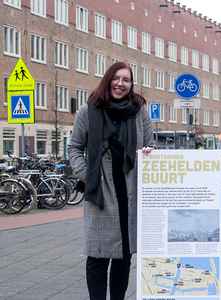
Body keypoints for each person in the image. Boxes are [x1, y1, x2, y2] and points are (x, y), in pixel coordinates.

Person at [68, 62, 153, 300]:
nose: (121, 84)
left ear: (131, 84)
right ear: (108, 79)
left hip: (129, 191)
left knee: (124, 256)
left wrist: (148, 152)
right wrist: (87, 175)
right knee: (97, 256)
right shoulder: (89, 110)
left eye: (126, 80)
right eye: (116, 78)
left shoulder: (139, 112)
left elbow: (150, 145)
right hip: (99, 192)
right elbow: (74, 147)